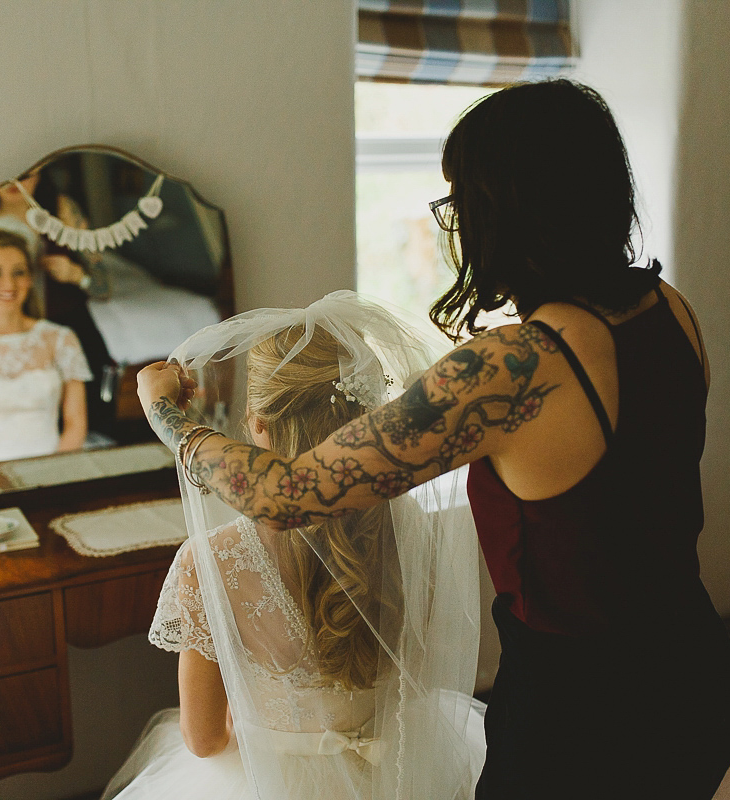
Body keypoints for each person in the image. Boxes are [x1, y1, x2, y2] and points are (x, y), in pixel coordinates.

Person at [137, 79, 730, 799]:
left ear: (506, 210)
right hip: (698, 675)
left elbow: (285, 495)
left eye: (459, 199)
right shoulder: (669, 308)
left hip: (584, 717)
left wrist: (171, 417)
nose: (453, 220)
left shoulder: (513, 368)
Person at [106, 293, 486, 800]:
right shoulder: (408, 529)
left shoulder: (212, 562)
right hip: (401, 775)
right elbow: (420, 673)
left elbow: (202, 740)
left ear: (256, 426)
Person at [0, 168, 117, 437]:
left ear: (41, 171)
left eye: (25, 175)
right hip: (13, 334)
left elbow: (105, 288)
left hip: (72, 325)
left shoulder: (62, 210)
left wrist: (76, 275)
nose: (14, 183)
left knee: (89, 421)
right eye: (5, 174)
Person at [0, 229, 92, 462]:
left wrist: (54, 475)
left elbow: (76, 424)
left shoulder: (60, 339)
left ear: (29, 279)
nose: (9, 283)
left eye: (19, 272)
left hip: (57, 468)